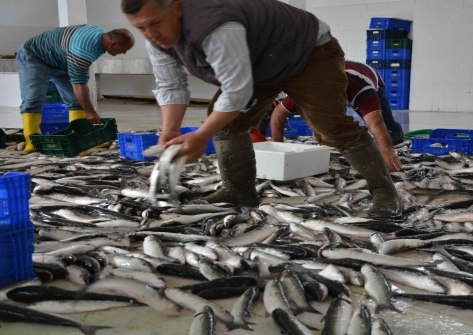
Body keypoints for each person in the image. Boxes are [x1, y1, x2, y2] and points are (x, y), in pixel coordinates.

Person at [122, 0, 402, 218]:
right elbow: (171, 86)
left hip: (307, 52)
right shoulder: (157, 39)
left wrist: (202, 136)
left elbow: (237, 91)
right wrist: (170, 131)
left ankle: (384, 193)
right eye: (141, 28)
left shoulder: (216, 27)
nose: (150, 34)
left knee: (331, 127)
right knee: (228, 123)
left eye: (155, 23)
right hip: (259, 60)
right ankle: (238, 191)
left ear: (176, 8)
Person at [268, 60, 404, 172]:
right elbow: (278, 113)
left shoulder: (360, 89)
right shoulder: (307, 90)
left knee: (388, 126)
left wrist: (387, 151)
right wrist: (278, 145)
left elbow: (375, 123)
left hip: (368, 74)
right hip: (338, 71)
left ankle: (396, 134)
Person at [17, 25, 135, 152]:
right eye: (124, 50)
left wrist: (82, 72)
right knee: (33, 99)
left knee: (76, 101)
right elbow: (79, 84)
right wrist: (90, 112)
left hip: (62, 60)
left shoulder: (100, 34)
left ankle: (80, 137)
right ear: (113, 44)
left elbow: (80, 70)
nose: (123, 53)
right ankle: (32, 141)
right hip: (35, 58)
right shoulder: (82, 51)